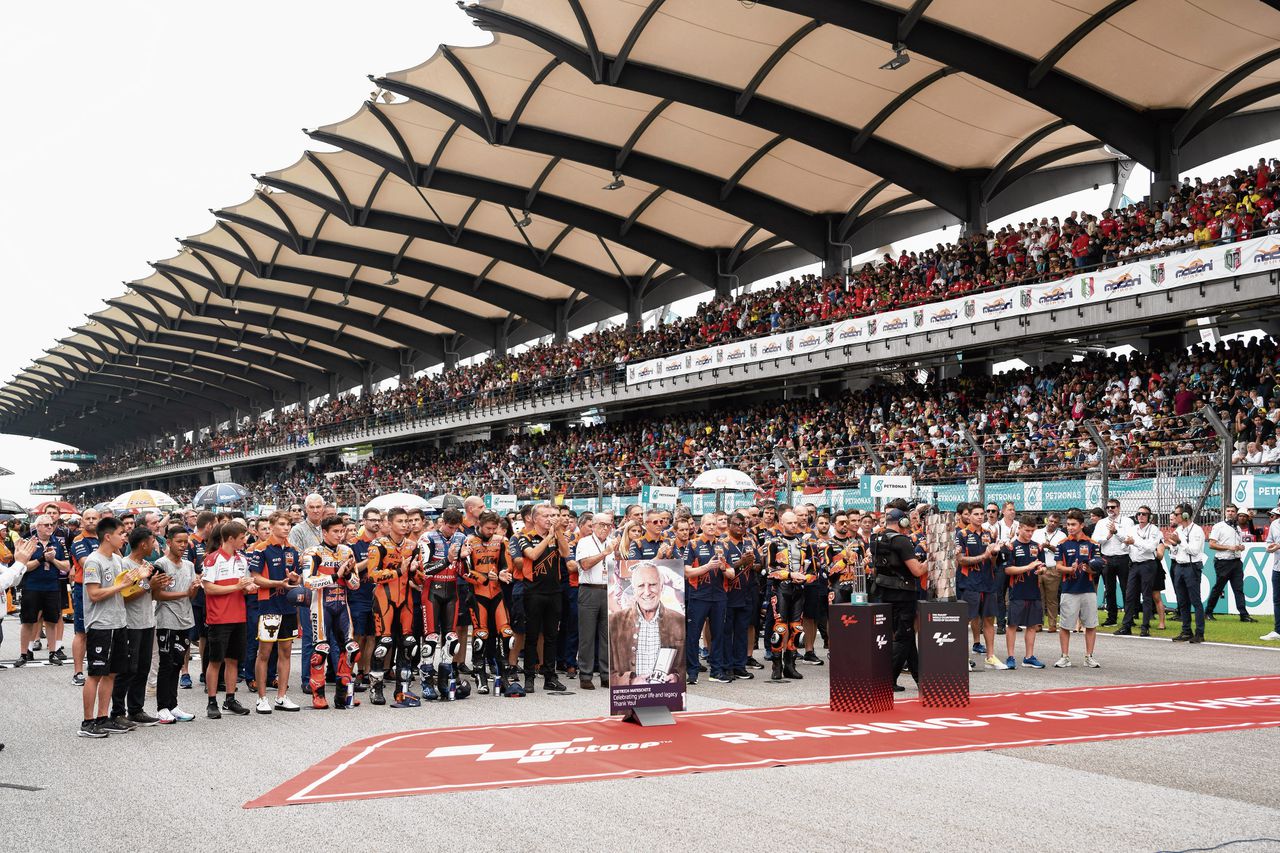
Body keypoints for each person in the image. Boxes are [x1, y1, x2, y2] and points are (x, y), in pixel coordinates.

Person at [79, 517, 134, 738]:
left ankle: (103, 717)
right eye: (121, 533)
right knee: (95, 674)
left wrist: (138, 579)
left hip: (119, 622)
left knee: (111, 673)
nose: (125, 537)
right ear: (108, 536)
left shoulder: (117, 560)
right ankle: (87, 722)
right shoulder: (94, 561)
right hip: (101, 625)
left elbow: (123, 589)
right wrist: (121, 585)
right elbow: (94, 594)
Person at [301, 517, 361, 710]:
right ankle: (318, 695)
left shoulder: (347, 551)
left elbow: (355, 585)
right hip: (321, 606)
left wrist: (349, 574)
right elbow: (308, 582)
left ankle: (343, 695)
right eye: (335, 531)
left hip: (342, 605)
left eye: (341, 531)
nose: (339, 535)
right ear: (324, 532)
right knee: (321, 651)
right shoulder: (313, 552)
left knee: (351, 649)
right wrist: (335, 575)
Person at [248, 511, 302, 713]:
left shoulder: (293, 550)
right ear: (271, 526)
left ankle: (282, 696)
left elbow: (295, 578)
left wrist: (295, 579)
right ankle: (262, 698)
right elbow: (255, 578)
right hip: (268, 606)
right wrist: (277, 583)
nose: (286, 527)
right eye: (281, 524)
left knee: (286, 652)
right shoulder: (260, 549)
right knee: (265, 653)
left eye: (288, 524)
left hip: (288, 606)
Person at [868, 508, 926, 691]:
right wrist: (932, 558)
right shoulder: (901, 540)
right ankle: (887, 679)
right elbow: (917, 571)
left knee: (906, 636)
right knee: (903, 637)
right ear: (902, 522)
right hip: (903, 595)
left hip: (884, 592)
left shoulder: (876, 538)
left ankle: (920, 678)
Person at [202, 521, 256, 719]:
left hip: (239, 616)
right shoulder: (212, 559)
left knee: (233, 660)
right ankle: (212, 701)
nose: (245, 541)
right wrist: (236, 587)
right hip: (219, 617)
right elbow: (208, 588)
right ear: (230, 538)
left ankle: (230, 699)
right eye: (242, 538)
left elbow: (244, 584)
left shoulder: (242, 559)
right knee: (215, 661)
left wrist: (248, 587)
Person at [110, 527, 163, 728]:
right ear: (143, 544)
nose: (154, 546)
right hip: (130, 624)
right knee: (127, 669)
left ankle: (136, 710)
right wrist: (148, 584)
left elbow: (151, 594)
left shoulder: (148, 565)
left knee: (143, 668)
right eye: (152, 542)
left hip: (148, 621)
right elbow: (125, 595)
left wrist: (158, 583)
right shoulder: (125, 565)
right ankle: (117, 712)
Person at [417, 507, 470, 701]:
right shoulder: (427, 538)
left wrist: (464, 560)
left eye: (456, 527)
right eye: (450, 527)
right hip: (431, 591)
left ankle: (445, 680)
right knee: (431, 638)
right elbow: (425, 570)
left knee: (451, 638)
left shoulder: (461, 538)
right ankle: (426, 682)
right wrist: (447, 561)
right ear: (442, 522)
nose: (453, 531)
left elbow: (465, 573)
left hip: (452, 590)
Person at [367, 507, 418, 706]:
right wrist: (399, 571)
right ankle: (376, 688)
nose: (405, 525)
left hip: (406, 600)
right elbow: (372, 575)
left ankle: (402, 689)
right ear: (389, 523)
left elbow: (417, 577)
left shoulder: (413, 546)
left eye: (407, 521)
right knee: (383, 644)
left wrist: (415, 572)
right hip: (383, 599)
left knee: (407, 643)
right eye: (400, 521)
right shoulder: (377, 544)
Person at [516, 504, 569, 692]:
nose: (550, 519)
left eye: (552, 516)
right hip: (533, 592)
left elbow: (565, 553)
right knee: (531, 636)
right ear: (535, 518)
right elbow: (532, 554)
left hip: (554, 592)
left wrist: (558, 532)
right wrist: (548, 537)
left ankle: (550, 676)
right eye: (546, 516)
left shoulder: (555, 535)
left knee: (551, 636)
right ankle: (529, 677)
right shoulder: (525, 537)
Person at [761, 510, 818, 683]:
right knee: (780, 627)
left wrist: (804, 578)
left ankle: (790, 664)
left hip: (799, 589)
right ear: (782, 524)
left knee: (797, 628)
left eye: (796, 522)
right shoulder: (773, 542)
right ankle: (776, 665)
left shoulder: (805, 543)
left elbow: (814, 570)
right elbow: (769, 570)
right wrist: (789, 575)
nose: (794, 525)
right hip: (781, 589)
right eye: (790, 523)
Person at [152, 525, 199, 723]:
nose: (182, 545)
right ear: (168, 542)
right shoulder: (160, 564)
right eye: (178, 542)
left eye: (185, 542)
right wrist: (184, 593)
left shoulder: (189, 565)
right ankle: (162, 707)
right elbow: (157, 594)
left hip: (185, 619)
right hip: (166, 620)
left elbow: (192, 594)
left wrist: (195, 588)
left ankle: (173, 705)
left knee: (178, 662)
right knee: (166, 663)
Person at [608, 562, 683, 685]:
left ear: (661, 587)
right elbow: (606, 671)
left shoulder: (679, 621)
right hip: (627, 698)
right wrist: (630, 681)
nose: (647, 592)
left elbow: (685, 666)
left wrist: (677, 677)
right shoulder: (613, 622)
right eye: (641, 586)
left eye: (652, 585)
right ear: (634, 589)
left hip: (667, 696)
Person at [15, 514, 69, 667]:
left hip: (52, 587)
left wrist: (53, 560)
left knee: (52, 621)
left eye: (51, 524)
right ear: (37, 527)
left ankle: (52, 653)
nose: (50, 527)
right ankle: (24, 654)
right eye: (46, 525)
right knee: (28, 621)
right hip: (32, 587)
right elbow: (23, 567)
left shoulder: (58, 543)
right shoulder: (29, 543)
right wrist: (41, 559)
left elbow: (66, 566)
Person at [957, 504, 1006, 669]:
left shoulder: (989, 534)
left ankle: (990, 656)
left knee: (989, 619)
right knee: (966, 620)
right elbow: (961, 560)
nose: (980, 516)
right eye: (976, 514)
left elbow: (992, 562)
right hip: (970, 583)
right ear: (969, 517)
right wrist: (983, 555)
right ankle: (961, 657)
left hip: (988, 582)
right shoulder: (962, 534)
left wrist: (994, 553)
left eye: (981, 514)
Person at [1054, 510, 1103, 668]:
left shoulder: (1092, 544)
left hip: (1088, 589)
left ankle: (1089, 656)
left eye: (1073, 524)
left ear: (1082, 525)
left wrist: (1089, 569)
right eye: (1068, 524)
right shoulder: (1061, 544)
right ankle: (1064, 656)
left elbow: (1096, 567)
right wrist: (1071, 569)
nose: (1070, 527)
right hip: (1069, 589)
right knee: (1065, 626)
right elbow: (1058, 567)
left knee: (1090, 624)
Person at [572, 512, 614, 690]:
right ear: (593, 525)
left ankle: (606, 674)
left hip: (608, 590)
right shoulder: (585, 542)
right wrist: (605, 553)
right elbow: (585, 564)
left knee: (607, 636)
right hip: (589, 590)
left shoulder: (613, 542)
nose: (605, 528)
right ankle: (586, 674)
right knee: (587, 636)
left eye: (608, 525)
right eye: (601, 525)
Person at [289, 493, 325, 692]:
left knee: (329, 635)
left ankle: (329, 674)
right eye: (312, 507)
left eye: (319, 506)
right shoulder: (298, 530)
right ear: (306, 509)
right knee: (310, 636)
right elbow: (297, 557)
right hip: (309, 587)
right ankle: (307, 678)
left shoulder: (327, 527)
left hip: (329, 586)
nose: (316, 510)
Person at [1001, 517, 1046, 669]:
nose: (1030, 533)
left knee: (1032, 625)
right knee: (1012, 624)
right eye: (1027, 530)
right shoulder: (1011, 547)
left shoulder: (1037, 547)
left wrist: (1041, 569)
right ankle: (1010, 656)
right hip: (1017, 591)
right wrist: (1028, 567)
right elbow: (1007, 570)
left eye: (1033, 531)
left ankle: (1029, 657)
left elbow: (1042, 566)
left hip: (1033, 590)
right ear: (1019, 528)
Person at [1115, 506, 1165, 637]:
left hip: (1148, 564)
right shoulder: (1132, 529)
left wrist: (1134, 542)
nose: (1141, 516)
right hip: (1134, 564)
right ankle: (1127, 625)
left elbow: (1150, 547)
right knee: (1130, 595)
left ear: (1149, 516)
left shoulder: (1154, 530)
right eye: (1139, 514)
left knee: (1147, 595)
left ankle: (1145, 626)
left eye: (1144, 514)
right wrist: (1126, 543)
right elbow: (1124, 546)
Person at [721, 511, 757, 680]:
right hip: (728, 592)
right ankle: (727, 666)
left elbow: (759, 564)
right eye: (737, 524)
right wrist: (742, 562)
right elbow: (723, 568)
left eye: (743, 524)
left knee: (742, 630)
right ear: (729, 525)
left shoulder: (749, 541)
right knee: (727, 632)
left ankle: (740, 665)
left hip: (747, 592)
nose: (741, 527)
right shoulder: (723, 543)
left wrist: (754, 562)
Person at [1205, 504, 1255, 622]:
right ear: (1225, 512)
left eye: (1233, 511)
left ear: (1236, 513)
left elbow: (1236, 545)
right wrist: (1230, 547)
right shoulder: (1219, 526)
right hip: (1223, 562)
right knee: (1218, 588)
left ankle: (1243, 614)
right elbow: (1211, 544)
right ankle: (1208, 612)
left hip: (1236, 561)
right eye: (1228, 511)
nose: (1230, 513)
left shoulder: (1237, 528)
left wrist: (1240, 547)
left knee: (1238, 589)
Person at [68, 508, 100, 686]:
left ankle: (95, 665)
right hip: (83, 588)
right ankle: (77, 672)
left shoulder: (105, 537)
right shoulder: (78, 540)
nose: (90, 521)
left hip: (103, 588)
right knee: (81, 632)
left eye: (94, 518)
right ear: (82, 521)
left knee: (98, 630)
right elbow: (86, 563)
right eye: (87, 518)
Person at [349, 507, 381, 686]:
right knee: (359, 636)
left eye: (378, 520)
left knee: (372, 636)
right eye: (372, 520)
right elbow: (351, 569)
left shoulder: (384, 542)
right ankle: (353, 671)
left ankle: (366, 671)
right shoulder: (354, 543)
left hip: (379, 596)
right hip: (358, 595)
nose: (376, 523)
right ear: (364, 521)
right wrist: (370, 560)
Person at [1166, 505, 1206, 643]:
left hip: (1192, 567)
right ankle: (1186, 631)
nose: (1174, 516)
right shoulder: (1178, 530)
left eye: (1176, 514)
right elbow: (1174, 551)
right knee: (1182, 601)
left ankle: (1200, 633)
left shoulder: (1197, 531)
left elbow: (1194, 551)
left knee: (1195, 601)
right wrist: (1174, 545)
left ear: (1185, 516)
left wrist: (1179, 542)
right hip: (1179, 566)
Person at [1095, 499, 1132, 626]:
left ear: (1119, 508)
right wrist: (1107, 536)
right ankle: (1112, 618)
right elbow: (1095, 540)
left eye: (1113, 507)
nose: (1110, 509)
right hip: (1107, 558)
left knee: (1126, 589)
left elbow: (1129, 538)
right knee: (1109, 589)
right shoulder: (1101, 522)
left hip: (1123, 558)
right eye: (1108, 507)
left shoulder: (1127, 521)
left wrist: (1116, 532)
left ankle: (1129, 618)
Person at [1032, 512, 1066, 632]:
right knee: (1038, 597)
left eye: (1055, 522)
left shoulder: (1061, 535)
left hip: (1053, 568)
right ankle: (1038, 623)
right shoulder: (1037, 532)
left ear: (1058, 524)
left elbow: (1061, 552)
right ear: (1047, 520)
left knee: (1052, 598)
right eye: (1050, 521)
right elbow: (1032, 547)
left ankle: (1052, 624)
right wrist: (1040, 547)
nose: (1052, 524)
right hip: (1039, 567)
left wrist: (1050, 547)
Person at [1264, 506, 1280, 642]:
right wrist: (1270, 547)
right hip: (1278, 567)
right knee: (1277, 600)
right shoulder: (1274, 524)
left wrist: (1279, 545)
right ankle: (1278, 630)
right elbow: (1269, 542)